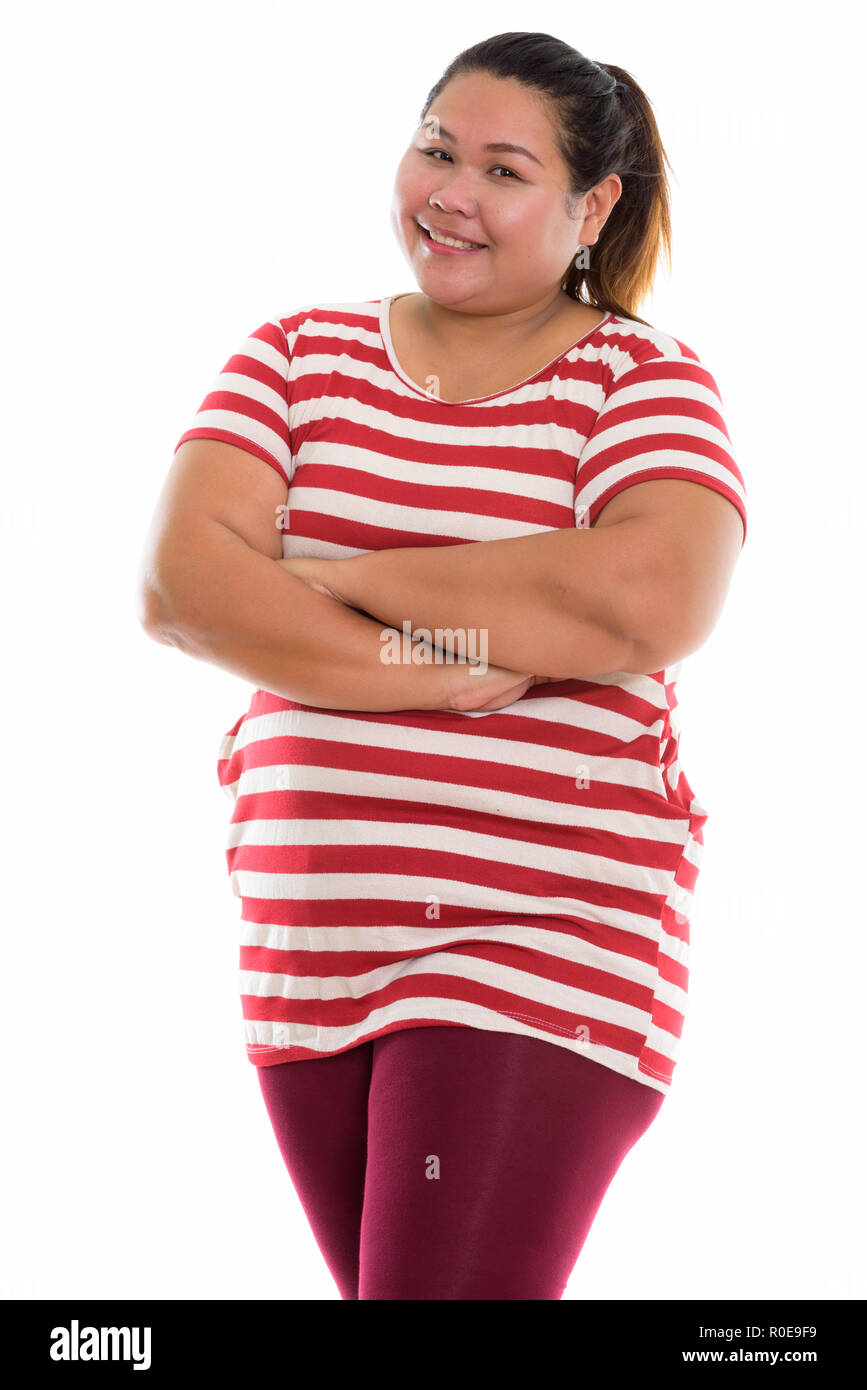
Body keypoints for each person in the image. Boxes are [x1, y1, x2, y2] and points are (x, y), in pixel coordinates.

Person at [137, 31, 747, 1300]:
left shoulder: (640, 381)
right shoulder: (294, 352)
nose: (451, 193)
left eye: (503, 169)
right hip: (308, 951)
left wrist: (319, 573)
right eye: (434, 150)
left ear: (592, 207)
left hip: (535, 942)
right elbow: (183, 589)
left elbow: (644, 599)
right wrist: (449, 662)